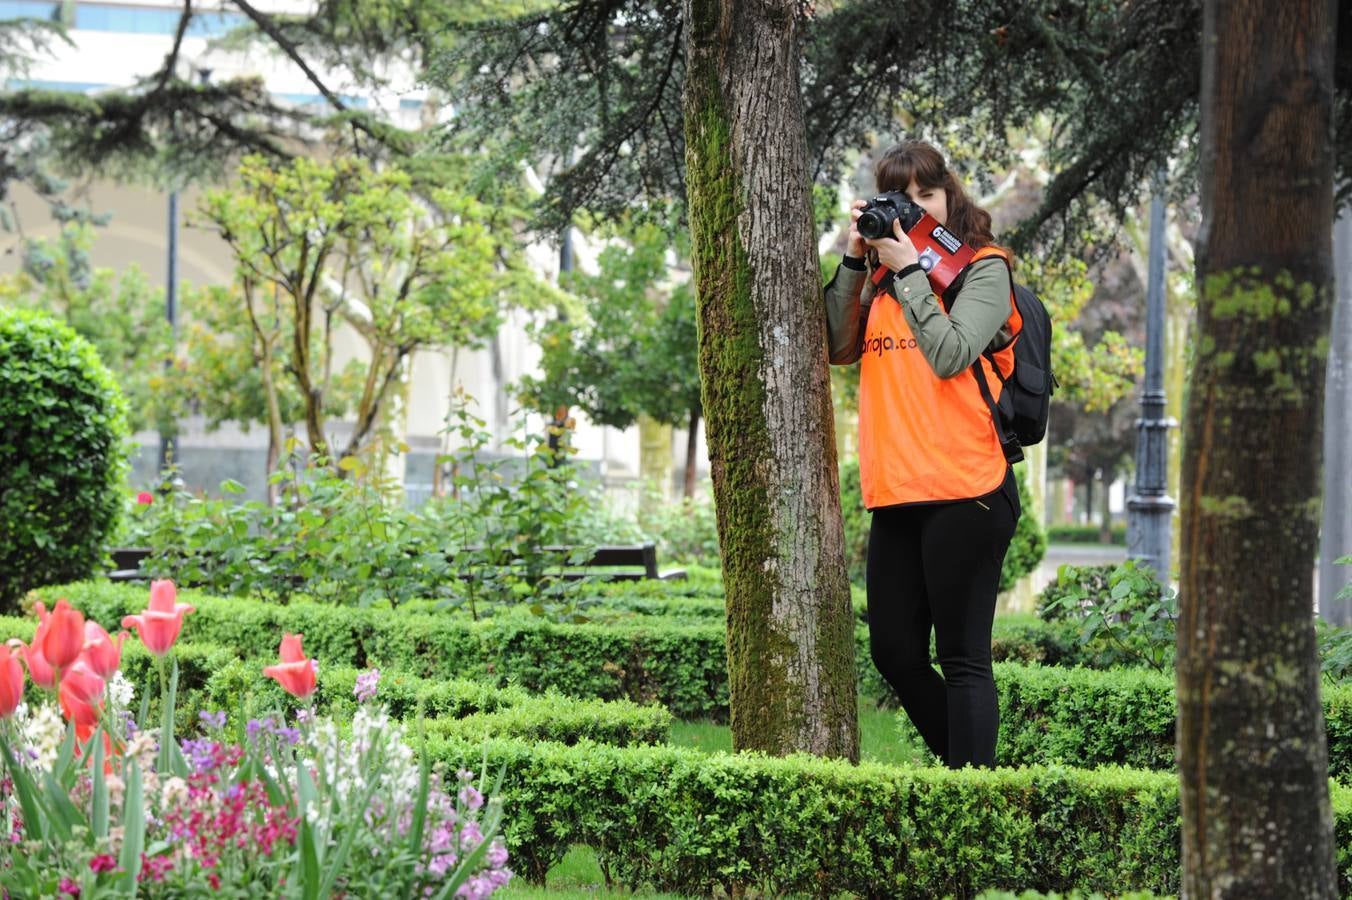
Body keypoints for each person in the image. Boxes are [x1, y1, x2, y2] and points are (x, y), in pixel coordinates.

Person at [823, 140, 1022, 769]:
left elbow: (950, 354)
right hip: (899, 491)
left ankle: (973, 799)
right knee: (896, 654)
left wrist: (911, 269)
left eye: (925, 196)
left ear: (949, 198)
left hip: (969, 487)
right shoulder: (879, 283)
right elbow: (833, 343)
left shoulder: (984, 269)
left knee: (963, 656)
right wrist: (858, 258)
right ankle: (976, 785)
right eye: (897, 200)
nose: (913, 210)